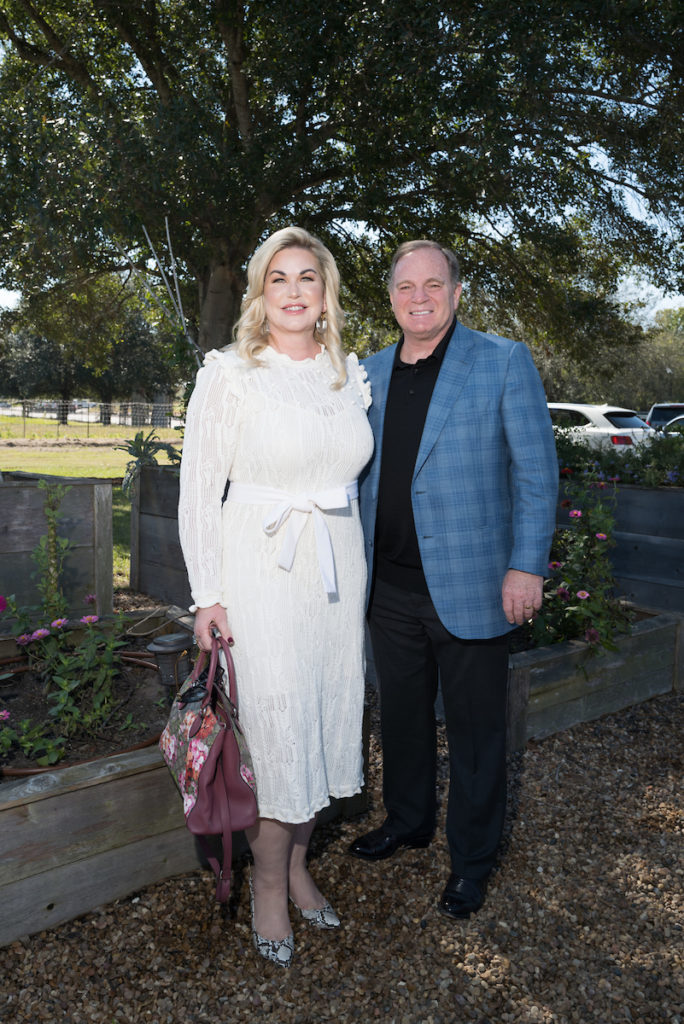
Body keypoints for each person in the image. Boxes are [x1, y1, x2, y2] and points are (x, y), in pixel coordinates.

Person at [178, 227, 373, 967]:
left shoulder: (342, 372)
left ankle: (297, 863)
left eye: (308, 279)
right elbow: (199, 491)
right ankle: (266, 881)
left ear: (326, 296)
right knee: (275, 729)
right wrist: (208, 595)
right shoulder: (231, 373)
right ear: (261, 294)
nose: (294, 291)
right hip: (259, 574)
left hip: (335, 574)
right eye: (279, 278)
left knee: (324, 717)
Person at [349, 240, 558, 919]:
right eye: (405, 286)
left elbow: (535, 472)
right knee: (402, 720)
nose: (419, 296)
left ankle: (471, 861)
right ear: (390, 297)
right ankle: (408, 821)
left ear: (457, 292)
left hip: (475, 587)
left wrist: (526, 565)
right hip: (389, 591)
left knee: (475, 735)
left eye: (433, 284)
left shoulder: (502, 361)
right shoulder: (367, 375)